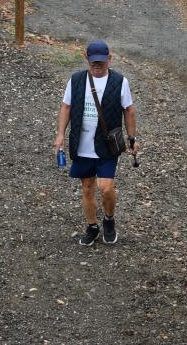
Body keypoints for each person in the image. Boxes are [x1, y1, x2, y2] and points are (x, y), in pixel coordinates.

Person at [54, 40, 138, 246]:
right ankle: (92, 226)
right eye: (94, 62)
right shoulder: (76, 80)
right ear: (86, 58)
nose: (97, 66)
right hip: (81, 144)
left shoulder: (120, 82)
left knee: (106, 188)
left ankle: (109, 220)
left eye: (102, 62)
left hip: (107, 145)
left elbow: (129, 110)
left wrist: (132, 138)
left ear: (110, 59)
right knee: (87, 187)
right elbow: (66, 107)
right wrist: (60, 135)